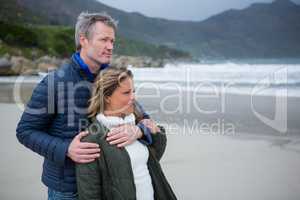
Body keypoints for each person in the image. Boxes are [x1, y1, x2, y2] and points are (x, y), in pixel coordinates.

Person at [16, 12, 153, 199]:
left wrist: (138, 131)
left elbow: (144, 118)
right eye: (104, 40)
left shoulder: (114, 79)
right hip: (68, 188)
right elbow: (25, 131)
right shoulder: (55, 82)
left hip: (107, 184)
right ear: (83, 40)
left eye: (112, 41)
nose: (110, 47)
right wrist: (66, 149)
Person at [76, 67, 177, 200]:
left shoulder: (137, 123)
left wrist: (142, 131)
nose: (133, 98)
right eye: (126, 93)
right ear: (107, 97)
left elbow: (156, 152)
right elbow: (89, 194)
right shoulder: (92, 139)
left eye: (133, 92)